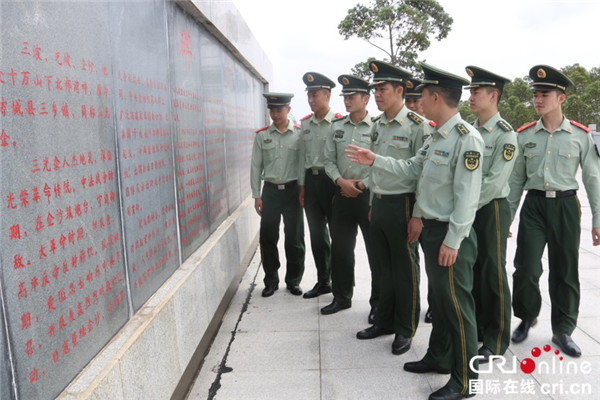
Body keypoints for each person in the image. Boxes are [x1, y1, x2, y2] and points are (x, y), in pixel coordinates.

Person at [347, 61, 483, 400]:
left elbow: (468, 199)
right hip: (432, 230)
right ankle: (438, 357)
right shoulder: (439, 135)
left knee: (457, 307)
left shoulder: (467, 140)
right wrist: (374, 159)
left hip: (450, 235)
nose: (418, 98)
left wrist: (453, 240)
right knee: (441, 298)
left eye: (422, 93)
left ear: (436, 96)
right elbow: (411, 169)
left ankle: (466, 380)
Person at [508, 65, 600, 358]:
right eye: (535, 94)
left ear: (561, 98)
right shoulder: (524, 135)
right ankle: (526, 316)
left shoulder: (580, 135)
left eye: (544, 94)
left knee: (565, 270)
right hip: (533, 205)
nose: (538, 99)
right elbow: (515, 181)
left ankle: (563, 329)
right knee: (526, 268)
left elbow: (593, 178)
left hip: (565, 206)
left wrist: (599, 219)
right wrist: (506, 217)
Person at [354, 60, 427, 356]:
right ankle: (383, 320)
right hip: (381, 203)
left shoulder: (418, 127)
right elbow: (374, 171)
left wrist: (417, 216)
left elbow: (422, 175)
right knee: (382, 267)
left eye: (382, 89)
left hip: (404, 204)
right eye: (375, 89)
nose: (377, 95)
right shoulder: (377, 125)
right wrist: (372, 201)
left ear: (400, 90)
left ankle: (405, 329)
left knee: (405, 270)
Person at [465, 66, 517, 363]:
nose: (470, 96)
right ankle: (479, 330)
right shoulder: (469, 130)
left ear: (493, 95)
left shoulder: (505, 135)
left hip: (492, 209)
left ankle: (496, 340)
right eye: (470, 91)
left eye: (476, 91)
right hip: (469, 209)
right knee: (472, 270)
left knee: (493, 272)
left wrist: (466, 206)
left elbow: (496, 181)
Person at [321, 74, 378, 317]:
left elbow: (383, 163)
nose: (347, 101)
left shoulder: (377, 127)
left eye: (351, 96)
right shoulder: (337, 127)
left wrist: (363, 184)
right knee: (341, 250)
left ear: (365, 98)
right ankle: (342, 296)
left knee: (376, 253)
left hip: (368, 198)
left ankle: (378, 304)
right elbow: (328, 160)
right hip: (342, 195)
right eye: (344, 97)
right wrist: (341, 181)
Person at [251, 93, 305, 298]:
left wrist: (302, 189)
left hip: (293, 192)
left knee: (295, 239)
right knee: (268, 237)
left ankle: (293, 280)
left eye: (279, 110)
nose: (275, 114)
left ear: (288, 109)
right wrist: (257, 195)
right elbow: (255, 167)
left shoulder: (299, 134)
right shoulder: (262, 136)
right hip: (271, 192)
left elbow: (303, 165)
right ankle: (271, 281)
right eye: (272, 110)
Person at [298, 72, 341, 299]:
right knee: (316, 234)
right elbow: (302, 159)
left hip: (332, 182)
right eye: (309, 95)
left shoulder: (339, 123)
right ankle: (323, 280)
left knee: (338, 234)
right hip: (312, 182)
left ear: (327, 95)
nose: (312, 100)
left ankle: (341, 284)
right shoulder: (305, 124)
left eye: (315, 95)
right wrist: (302, 187)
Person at [405, 76, 434, 324]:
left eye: (416, 100)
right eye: (409, 101)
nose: (412, 105)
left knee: (432, 259)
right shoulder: (404, 126)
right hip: (406, 202)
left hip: (430, 206)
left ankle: (434, 303)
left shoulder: (436, 130)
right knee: (410, 257)